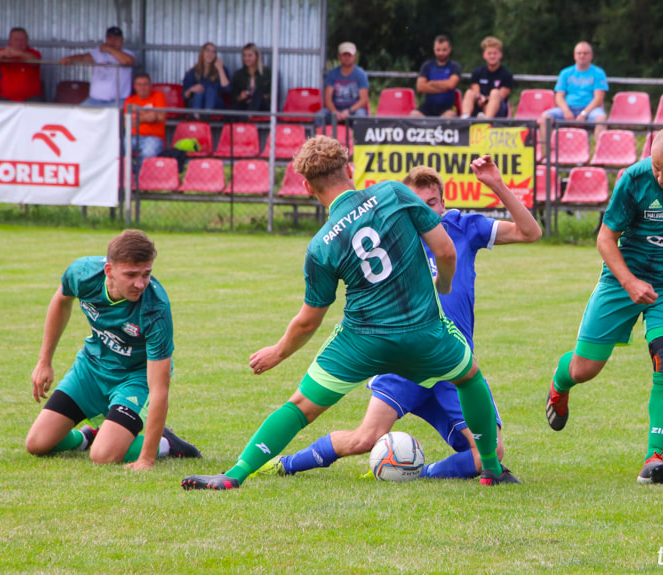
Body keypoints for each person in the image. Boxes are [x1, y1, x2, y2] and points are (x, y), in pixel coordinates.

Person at [182, 136, 520, 490]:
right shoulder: (393, 193)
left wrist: (278, 351)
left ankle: (234, 475)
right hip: (424, 330)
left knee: (300, 408)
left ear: (307, 187)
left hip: (362, 340)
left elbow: (308, 320)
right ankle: (492, 469)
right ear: (349, 170)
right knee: (469, 376)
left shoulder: (321, 246)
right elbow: (446, 251)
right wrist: (444, 285)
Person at [256, 158, 541, 480]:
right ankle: (285, 464)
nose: (425, 211)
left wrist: (496, 185)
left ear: (443, 203)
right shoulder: (393, 235)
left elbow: (530, 232)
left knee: (490, 453)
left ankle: (416, 472)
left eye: (432, 203)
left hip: (449, 359)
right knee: (366, 438)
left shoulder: (462, 227)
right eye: (416, 204)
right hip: (402, 359)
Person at [544, 127, 663, 485]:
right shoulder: (635, 180)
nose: (660, 177)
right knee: (585, 368)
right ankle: (560, 384)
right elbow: (605, 238)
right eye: (656, 169)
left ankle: (655, 457)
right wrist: (630, 282)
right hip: (623, 277)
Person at [25, 230, 201, 470]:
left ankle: (166, 444)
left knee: (103, 455)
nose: (140, 283)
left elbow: (159, 388)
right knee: (37, 444)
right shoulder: (83, 273)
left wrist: (147, 459)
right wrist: (44, 361)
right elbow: (61, 300)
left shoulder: (155, 309)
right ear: (109, 271)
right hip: (91, 369)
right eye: (131, 275)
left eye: (146, 274)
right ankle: (87, 436)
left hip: (134, 378)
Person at [539, 41, 608, 145]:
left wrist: (584, 113)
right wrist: (566, 111)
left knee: (601, 119)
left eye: (585, 53)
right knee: (545, 117)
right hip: (568, 109)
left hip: (590, 111)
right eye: (579, 53)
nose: (582, 56)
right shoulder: (565, 73)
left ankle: (600, 156)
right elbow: (559, 96)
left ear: (591, 56)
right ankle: (546, 154)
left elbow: (599, 98)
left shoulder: (598, 73)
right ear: (574, 56)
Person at [61, 26, 135, 107]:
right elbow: (84, 57)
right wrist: (70, 59)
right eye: (110, 38)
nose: (113, 41)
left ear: (122, 41)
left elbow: (127, 61)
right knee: (77, 114)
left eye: (116, 39)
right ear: (106, 39)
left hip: (118, 101)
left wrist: (109, 49)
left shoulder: (128, 53)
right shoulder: (97, 52)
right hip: (94, 100)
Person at [316, 42, 369, 125]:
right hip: (335, 110)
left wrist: (349, 111)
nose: (347, 58)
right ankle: (320, 137)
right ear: (339, 56)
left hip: (353, 111)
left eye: (350, 55)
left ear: (354, 57)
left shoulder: (361, 74)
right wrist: (335, 112)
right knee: (320, 115)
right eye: (344, 55)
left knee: (361, 115)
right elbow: (327, 99)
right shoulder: (332, 74)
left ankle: (358, 138)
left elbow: (364, 100)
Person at [460, 36, 512, 119]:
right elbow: (475, 91)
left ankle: (486, 120)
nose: (492, 56)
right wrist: (481, 100)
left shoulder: (506, 74)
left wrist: (486, 100)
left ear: (500, 55)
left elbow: (502, 95)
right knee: (469, 93)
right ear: (484, 55)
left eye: (495, 53)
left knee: (495, 92)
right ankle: (465, 118)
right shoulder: (477, 72)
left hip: (497, 108)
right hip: (480, 103)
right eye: (489, 53)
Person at [409, 35, 461, 118]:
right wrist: (443, 86)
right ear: (434, 50)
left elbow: (451, 84)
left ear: (449, 50)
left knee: (450, 116)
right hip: (428, 107)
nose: (441, 53)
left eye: (444, 50)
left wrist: (431, 83)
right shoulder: (427, 66)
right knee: (414, 115)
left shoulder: (454, 66)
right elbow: (420, 87)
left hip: (447, 107)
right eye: (438, 50)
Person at [124, 73, 167, 172]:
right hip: (133, 137)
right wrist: (149, 115)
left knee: (148, 153)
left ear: (150, 85)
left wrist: (139, 110)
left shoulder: (158, 96)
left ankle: (140, 180)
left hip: (154, 137)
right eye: (139, 84)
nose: (142, 87)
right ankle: (127, 178)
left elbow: (160, 117)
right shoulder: (130, 100)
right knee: (118, 148)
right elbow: (127, 123)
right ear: (134, 86)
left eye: (145, 84)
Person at [0, 27, 43, 102]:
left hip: (31, 98)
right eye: (16, 40)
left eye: (23, 40)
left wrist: (18, 53)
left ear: (27, 40)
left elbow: (34, 61)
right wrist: (3, 53)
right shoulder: (4, 52)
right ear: (10, 41)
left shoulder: (34, 53)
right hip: (5, 98)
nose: (20, 43)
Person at [182, 42, 230, 110]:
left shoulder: (221, 69)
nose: (210, 54)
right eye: (207, 50)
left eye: (213, 52)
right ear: (202, 53)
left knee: (210, 89)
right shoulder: (192, 72)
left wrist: (220, 69)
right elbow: (185, 96)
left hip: (215, 104)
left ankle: (207, 115)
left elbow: (227, 88)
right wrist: (192, 89)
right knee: (200, 90)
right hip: (197, 102)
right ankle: (196, 116)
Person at [229, 42, 271, 112]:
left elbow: (272, 95)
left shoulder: (267, 72)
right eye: (244, 55)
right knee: (232, 109)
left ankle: (248, 116)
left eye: (250, 55)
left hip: (262, 105)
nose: (246, 58)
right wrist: (241, 97)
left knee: (258, 93)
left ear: (257, 56)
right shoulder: (238, 74)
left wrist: (254, 98)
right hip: (245, 104)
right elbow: (233, 97)